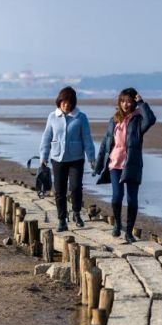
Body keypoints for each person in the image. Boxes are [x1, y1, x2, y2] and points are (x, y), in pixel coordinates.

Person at [95, 88, 156, 242]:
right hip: (115, 163)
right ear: (119, 102)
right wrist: (98, 163)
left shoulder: (138, 121)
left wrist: (142, 103)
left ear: (134, 102)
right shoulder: (114, 120)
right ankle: (117, 224)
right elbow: (105, 142)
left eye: (129, 101)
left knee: (132, 199)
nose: (126, 104)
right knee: (117, 197)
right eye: (123, 101)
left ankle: (129, 232)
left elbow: (151, 119)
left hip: (132, 164)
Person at [39, 86, 96, 232]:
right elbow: (46, 137)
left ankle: (76, 213)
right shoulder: (52, 116)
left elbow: (87, 138)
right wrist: (43, 157)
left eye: (70, 102)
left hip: (76, 158)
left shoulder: (81, 117)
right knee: (59, 191)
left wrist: (91, 158)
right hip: (57, 158)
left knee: (76, 187)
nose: (66, 105)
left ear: (74, 103)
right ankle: (62, 220)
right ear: (59, 101)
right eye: (64, 101)